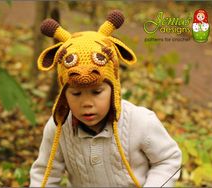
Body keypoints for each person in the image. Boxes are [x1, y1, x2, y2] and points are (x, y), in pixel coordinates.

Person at [30, 10, 182, 187]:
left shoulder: (141, 122)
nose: (87, 103)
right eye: (76, 94)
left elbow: (168, 160)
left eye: (97, 92)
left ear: (114, 87)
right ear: (63, 95)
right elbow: (45, 174)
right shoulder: (58, 129)